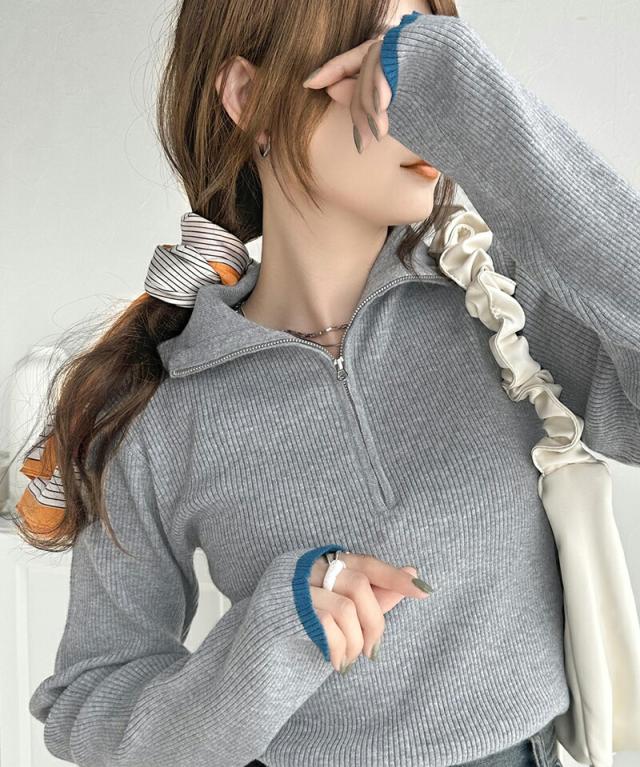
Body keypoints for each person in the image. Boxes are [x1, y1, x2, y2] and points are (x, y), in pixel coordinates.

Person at [16, 0, 640, 765]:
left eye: (431, 58)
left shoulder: (497, 299)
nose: (418, 101)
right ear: (249, 98)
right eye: (380, 56)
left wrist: (490, 126)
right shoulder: (161, 408)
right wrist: (268, 645)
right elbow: (87, 701)